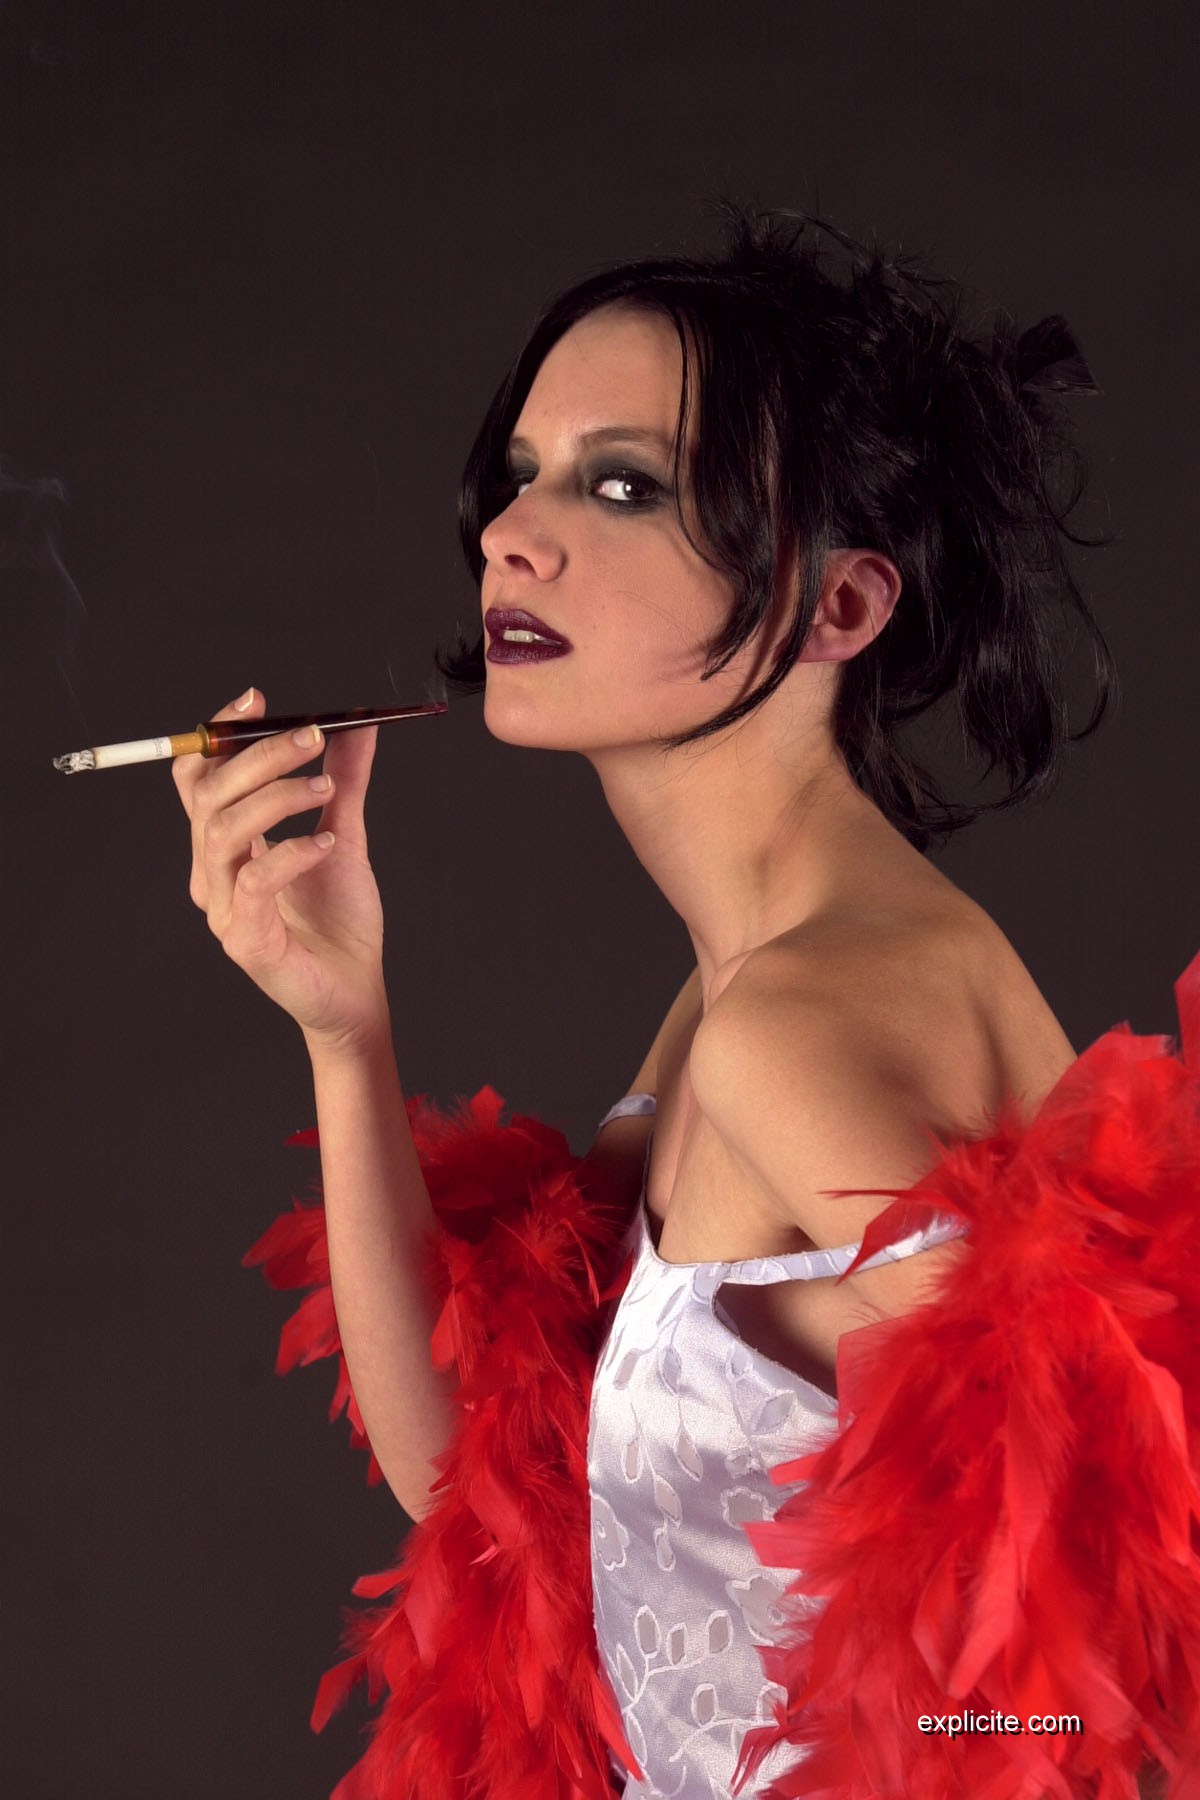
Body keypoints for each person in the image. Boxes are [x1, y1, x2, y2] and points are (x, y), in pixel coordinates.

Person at [172, 207, 1198, 1799]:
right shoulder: (731, 993)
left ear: (839, 608)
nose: (513, 534)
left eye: (623, 485)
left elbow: (1102, 1639)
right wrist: (342, 1025)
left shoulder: (797, 1019)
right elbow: (479, 1481)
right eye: (523, 473)